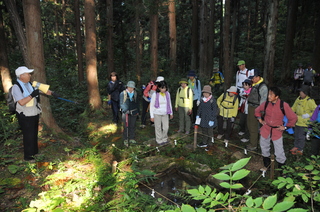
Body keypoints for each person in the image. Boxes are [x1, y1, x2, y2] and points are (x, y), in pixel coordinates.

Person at [12, 66, 58, 161]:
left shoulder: (31, 84)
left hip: (34, 112)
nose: (30, 75)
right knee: (28, 136)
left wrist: (53, 93)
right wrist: (32, 95)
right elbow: (21, 102)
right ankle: (28, 157)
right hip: (24, 115)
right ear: (21, 76)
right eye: (28, 73)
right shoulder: (16, 87)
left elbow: (43, 90)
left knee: (34, 134)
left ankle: (34, 154)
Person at [255, 87, 297, 171]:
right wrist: (260, 119)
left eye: (271, 95)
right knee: (264, 147)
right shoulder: (266, 104)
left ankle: (282, 170)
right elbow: (257, 110)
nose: (269, 96)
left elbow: (293, 118)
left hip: (277, 131)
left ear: (277, 96)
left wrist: (285, 127)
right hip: (266, 129)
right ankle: (266, 166)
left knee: (279, 151)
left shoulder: (283, 105)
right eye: (268, 94)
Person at [290, 87, 317, 155]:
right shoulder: (298, 99)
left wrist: (309, 115)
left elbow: (316, 110)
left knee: (301, 137)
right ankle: (296, 147)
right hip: (297, 120)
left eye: (302, 92)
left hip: (304, 122)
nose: (300, 93)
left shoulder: (310, 101)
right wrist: (289, 112)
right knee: (296, 135)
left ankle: (300, 149)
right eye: (300, 92)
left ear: (306, 93)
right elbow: (294, 107)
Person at [246, 69, 268, 151]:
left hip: (256, 108)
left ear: (258, 77)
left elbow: (263, 100)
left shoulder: (262, 87)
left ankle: (253, 145)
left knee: (253, 126)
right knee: (249, 124)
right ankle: (253, 141)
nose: (252, 79)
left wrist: (260, 112)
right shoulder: (255, 84)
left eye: (253, 78)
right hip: (251, 106)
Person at [149, 81, 173, 145]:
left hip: (165, 113)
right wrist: (152, 116)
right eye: (162, 88)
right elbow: (151, 105)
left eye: (165, 88)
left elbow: (169, 103)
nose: (163, 89)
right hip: (157, 113)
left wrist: (171, 113)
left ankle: (164, 138)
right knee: (158, 127)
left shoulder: (167, 94)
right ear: (159, 88)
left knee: (166, 127)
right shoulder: (155, 94)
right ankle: (159, 140)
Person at [120, 81, 140, 146]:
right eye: (129, 87)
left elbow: (137, 103)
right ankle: (125, 139)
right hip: (125, 112)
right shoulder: (123, 94)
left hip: (134, 112)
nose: (130, 89)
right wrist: (125, 110)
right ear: (127, 87)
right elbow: (121, 103)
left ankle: (131, 138)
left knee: (132, 125)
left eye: (132, 87)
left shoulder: (136, 94)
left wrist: (138, 111)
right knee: (126, 126)